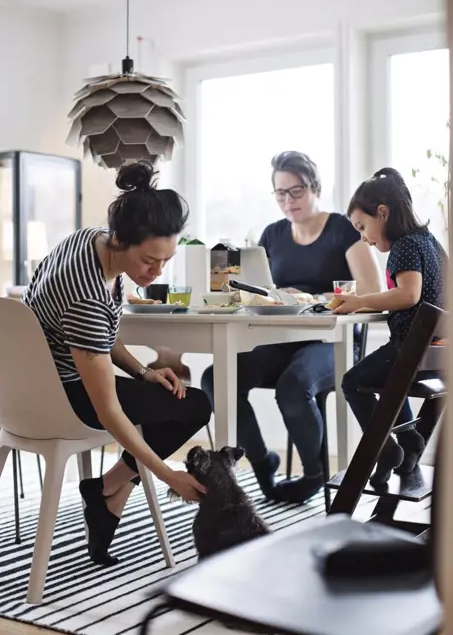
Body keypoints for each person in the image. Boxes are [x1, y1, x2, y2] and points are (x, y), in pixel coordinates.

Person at [23, 162, 211, 566]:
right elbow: (107, 410)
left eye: (165, 260)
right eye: (149, 260)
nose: (157, 271)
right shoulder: (86, 294)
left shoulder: (90, 240)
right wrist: (167, 474)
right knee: (194, 406)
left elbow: (100, 338)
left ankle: (108, 489)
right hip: (59, 399)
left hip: (27, 391)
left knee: (171, 394)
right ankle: (109, 491)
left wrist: (143, 371)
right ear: (121, 241)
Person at [201, 151, 382, 503]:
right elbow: (258, 289)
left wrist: (310, 295)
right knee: (215, 378)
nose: (288, 201)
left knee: (293, 385)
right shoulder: (272, 234)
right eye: (280, 193)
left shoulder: (342, 229)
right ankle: (260, 460)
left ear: (314, 187)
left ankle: (314, 475)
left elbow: (372, 289)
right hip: (281, 338)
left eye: (295, 191)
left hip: (333, 341)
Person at [336, 167, 446, 485]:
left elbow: (408, 295)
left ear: (382, 213)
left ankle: (386, 450)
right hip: (437, 355)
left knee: (353, 382)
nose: (364, 238)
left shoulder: (405, 246)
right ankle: (410, 440)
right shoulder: (429, 241)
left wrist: (360, 301)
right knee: (390, 382)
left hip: (412, 349)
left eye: (363, 227)